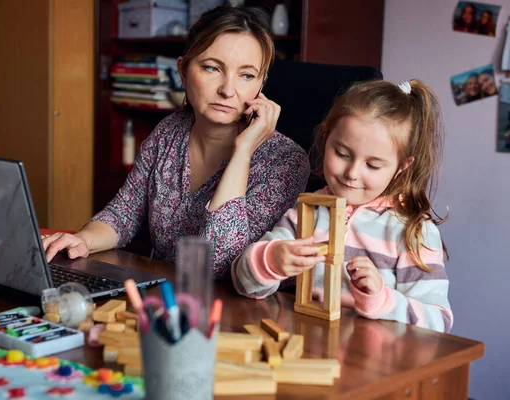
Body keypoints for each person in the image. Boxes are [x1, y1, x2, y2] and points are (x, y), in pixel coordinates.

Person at [42, 6, 310, 279]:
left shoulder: (286, 161)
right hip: (163, 299)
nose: (228, 90)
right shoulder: (169, 132)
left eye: (247, 75)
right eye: (211, 68)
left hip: (233, 311)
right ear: (183, 70)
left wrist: (243, 152)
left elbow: (219, 262)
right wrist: (83, 240)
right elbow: (124, 214)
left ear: (261, 85)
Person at [231, 79, 453, 333]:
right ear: (326, 139)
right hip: (307, 350)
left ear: (402, 167)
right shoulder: (308, 213)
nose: (352, 173)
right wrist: (271, 261)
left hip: (374, 366)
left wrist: (382, 300)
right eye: (343, 154)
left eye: (373, 165)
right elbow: (242, 281)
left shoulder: (413, 231)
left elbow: (439, 322)